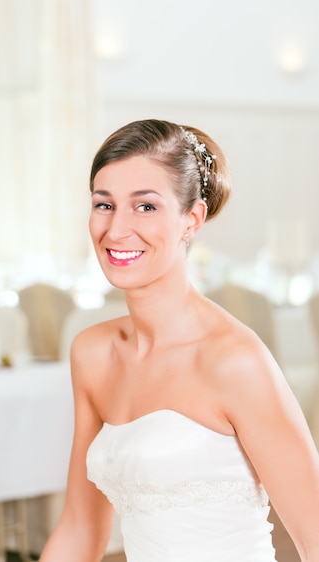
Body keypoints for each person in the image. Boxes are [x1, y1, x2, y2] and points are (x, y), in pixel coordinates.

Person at [39, 119, 319, 562]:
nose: (116, 229)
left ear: (192, 220)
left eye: (145, 207)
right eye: (103, 204)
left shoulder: (233, 360)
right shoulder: (92, 353)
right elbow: (80, 528)